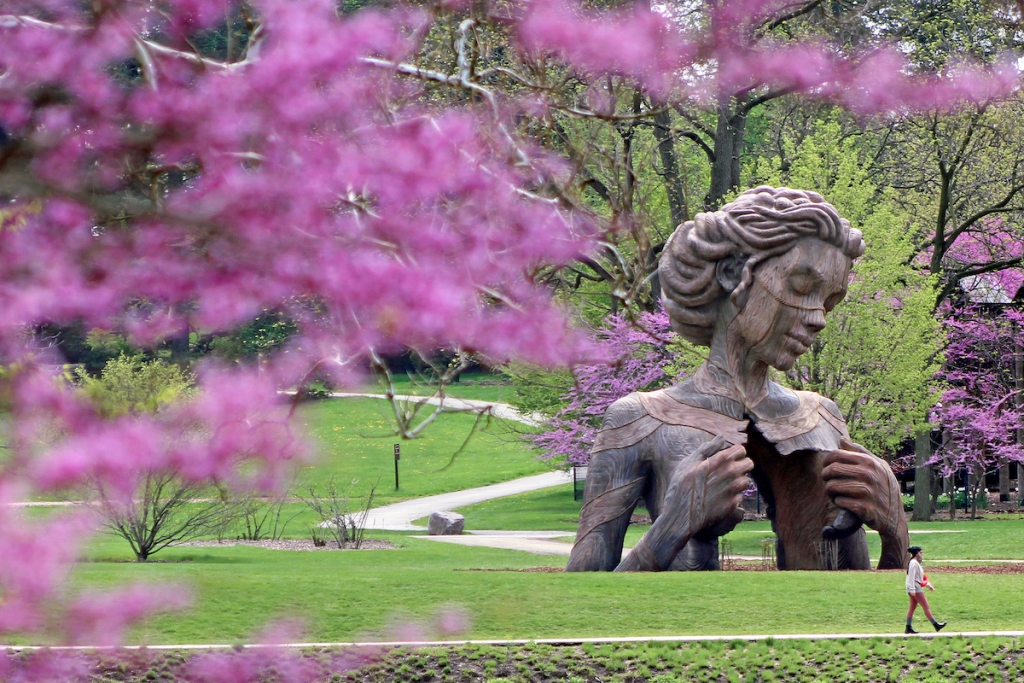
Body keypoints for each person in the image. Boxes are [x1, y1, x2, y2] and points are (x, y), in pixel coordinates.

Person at [565, 187, 910, 573]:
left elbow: (859, 605)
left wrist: (895, 528)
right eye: (801, 286)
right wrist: (674, 525)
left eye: (830, 300)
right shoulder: (640, 419)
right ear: (732, 273)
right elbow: (579, 599)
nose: (819, 317)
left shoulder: (822, 417)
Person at [905, 545, 946, 633]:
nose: (922, 554)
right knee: (926, 606)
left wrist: (928, 585)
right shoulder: (913, 563)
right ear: (917, 553)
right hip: (915, 588)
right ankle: (936, 625)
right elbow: (911, 577)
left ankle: (908, 627)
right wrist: (912, 589)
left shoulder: (915, 563)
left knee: (912, 607)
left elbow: (920, 577)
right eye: (920, 552)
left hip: (915, 587)